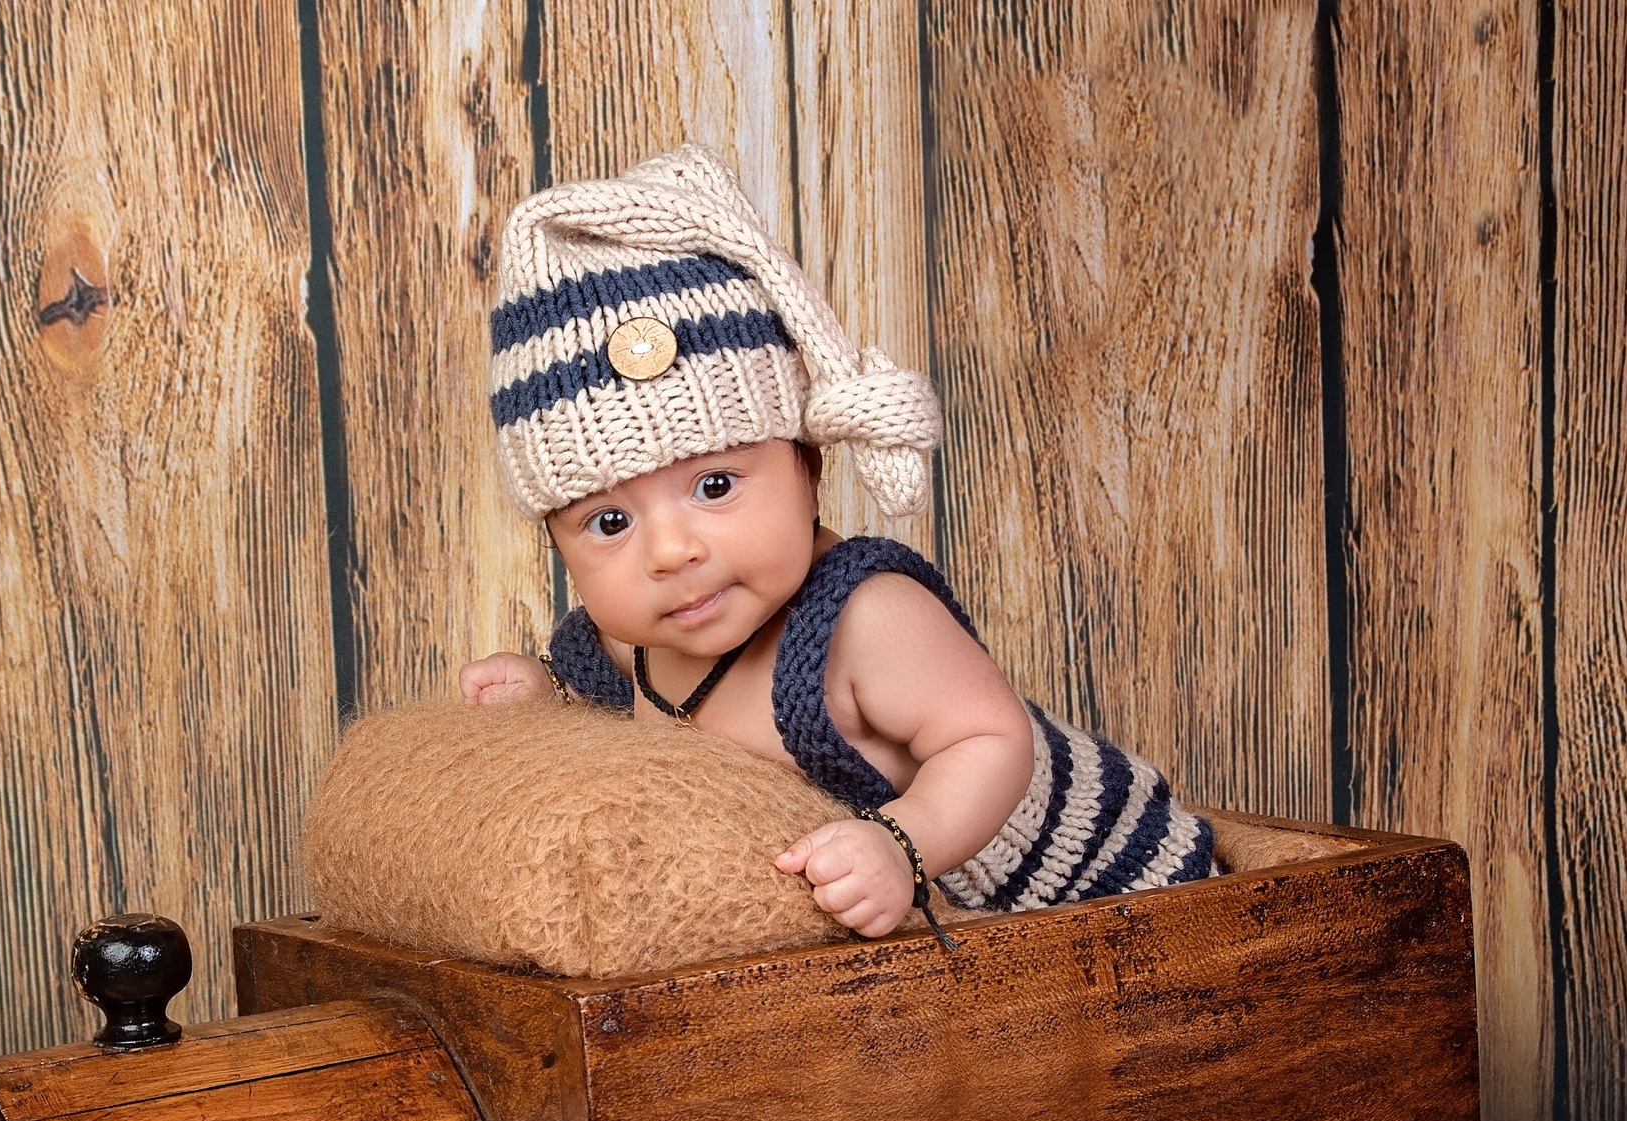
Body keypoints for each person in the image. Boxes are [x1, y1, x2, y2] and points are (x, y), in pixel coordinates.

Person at [460, 143, 1216, 941]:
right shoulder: (636, 642)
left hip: (1106, 887)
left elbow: (992, 739)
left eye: (715, 486)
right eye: (609, 522)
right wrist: (538, 687)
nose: (671, 551)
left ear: (808, 466)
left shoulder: (865, 620)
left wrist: (902, 845)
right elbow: (591, 674)